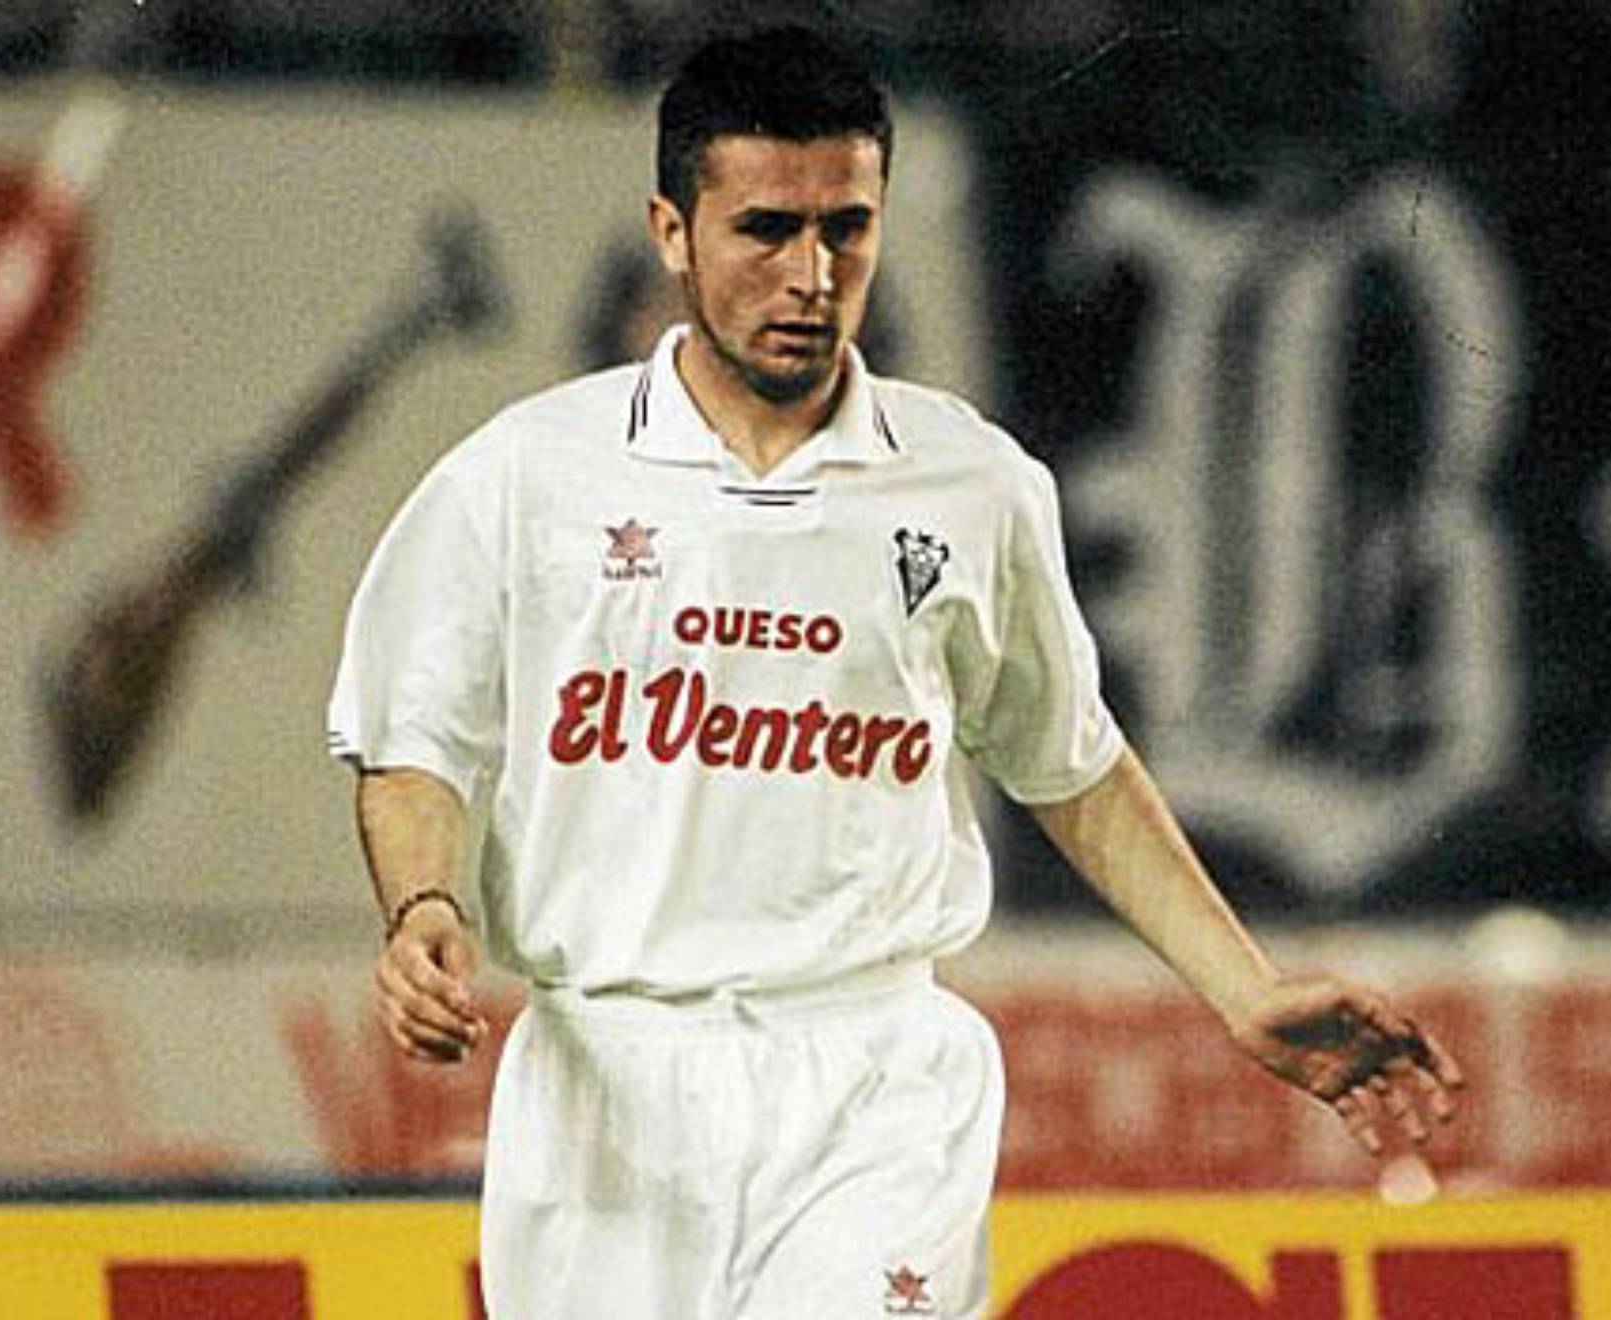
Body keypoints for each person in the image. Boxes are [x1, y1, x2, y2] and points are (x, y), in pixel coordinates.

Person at [326, 23, 1464, 1319]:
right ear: (670, 233)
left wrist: (1245, 991)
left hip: (870, 1078)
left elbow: (1070, 763)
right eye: (766, 230)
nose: (812, 275)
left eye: (847, 229)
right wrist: (424, 907)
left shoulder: (971, 483)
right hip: (605, 1081)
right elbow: (414, 742)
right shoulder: (524, 475)